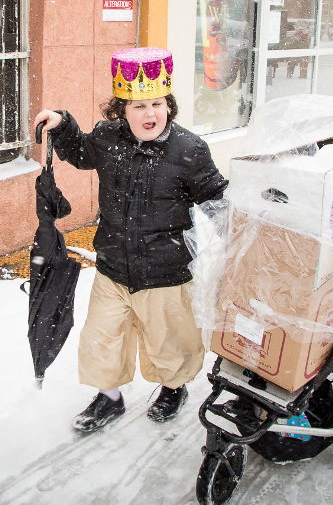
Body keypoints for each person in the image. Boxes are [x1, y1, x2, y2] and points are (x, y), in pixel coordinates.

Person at [33, 47, 228, 433]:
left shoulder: (189, 150)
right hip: (112, 267)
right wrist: (62, 124)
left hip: (167, 270)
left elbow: (217, 200)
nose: (149, 114)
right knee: (101, 341)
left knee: (171, 344)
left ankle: (173, 389)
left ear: (169, 106)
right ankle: (109, 398)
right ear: (121, 110)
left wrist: (248, 227)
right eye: (138, 106)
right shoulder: (108, 138)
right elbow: (82, 152)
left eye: (157, 104)